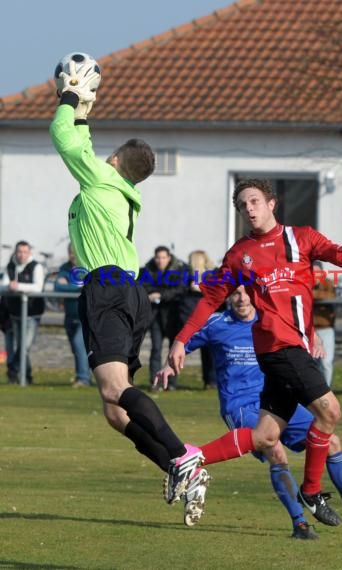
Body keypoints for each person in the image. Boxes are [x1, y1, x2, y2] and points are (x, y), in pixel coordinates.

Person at [166, 178, 342, 516]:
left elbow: (339, 255)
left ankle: (190, 457)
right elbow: (211, 298)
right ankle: (311, 492)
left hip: (288, 350)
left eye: (254, 201)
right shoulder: (240, 254)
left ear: (272, 203)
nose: (248, 209)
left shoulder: (302, 238)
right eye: (242, 205)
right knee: (330, 413)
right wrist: (182, 339)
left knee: (265, 435)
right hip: (278, 348)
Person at [49, 60, 206, 503]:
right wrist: (83, 111)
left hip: (108, 289)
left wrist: (68, 95)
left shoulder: (101, 179)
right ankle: (180, 467)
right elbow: (79, 139)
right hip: (129, 293)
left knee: (115, 390)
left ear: (115, 161)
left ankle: (182, 454)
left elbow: (64, 140)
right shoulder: (117, 189)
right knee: (115, 411)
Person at [156, 286, 342, 537]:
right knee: (274, 449)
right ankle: (300, 523)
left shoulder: (270, 319)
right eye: (235, 293)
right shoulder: (217, 323)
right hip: (240, 406)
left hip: (277, 399)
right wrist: (169, 366)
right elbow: (183, 343)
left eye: (247, 293)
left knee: (331, 442)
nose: (242, 298)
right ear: (228, 297)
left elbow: (301, 324)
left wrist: (316, 339)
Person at [141, 246, 187, 390]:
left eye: (163, 258)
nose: (160, 261)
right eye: (158, 258)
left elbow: (180, 290)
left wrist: (160, 295)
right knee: (156, 349)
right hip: (155, 316)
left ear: (169, 257)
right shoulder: (148, 270)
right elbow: (143, 287)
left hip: (174, 316)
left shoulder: (178, 270)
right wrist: (154, 294)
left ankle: (171, 382)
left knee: (173, 351)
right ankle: (155, 382)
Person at [0, 241, 45, 384]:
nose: (22, 255)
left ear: (30, 253)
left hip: (32, 314)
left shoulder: (36, 267)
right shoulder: (11, 266)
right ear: (15, 252)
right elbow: (4, 286)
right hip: (15, 313)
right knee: (22, 347)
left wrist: (18, 286)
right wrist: (9, 286)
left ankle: (13, 372)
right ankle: (27, 377)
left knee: (24, 346)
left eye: (25, 252)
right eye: (19, 252)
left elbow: (38, 288)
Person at [179, 250, 217, 389]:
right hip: (194, 316)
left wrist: (200, 288)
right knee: (205, 352)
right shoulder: (188, 277)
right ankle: (207, 380)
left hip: (208, 318)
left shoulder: (212, 276)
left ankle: (212, 380)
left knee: (210, 352)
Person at [55, 243, 91, 387]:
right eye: (71, 252)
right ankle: (83, 375)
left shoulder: (87, 267)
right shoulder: (65, 268)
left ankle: (83, 378)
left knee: (78, 345)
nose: (73, 255)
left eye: (75, 252)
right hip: (70, 316)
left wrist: (72, 285)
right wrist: (77, 286)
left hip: (85, 316)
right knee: (75, 348)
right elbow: (58, 286)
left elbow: (88, 287)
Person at [312, 260, 336, 387]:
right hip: (308, 329)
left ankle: (326, 390)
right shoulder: (303, 283)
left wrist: (314, 293)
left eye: (317, 272)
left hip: (325, 328)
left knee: (326, 362)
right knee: (310, 362)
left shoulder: (328, 283)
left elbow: (330, 296)